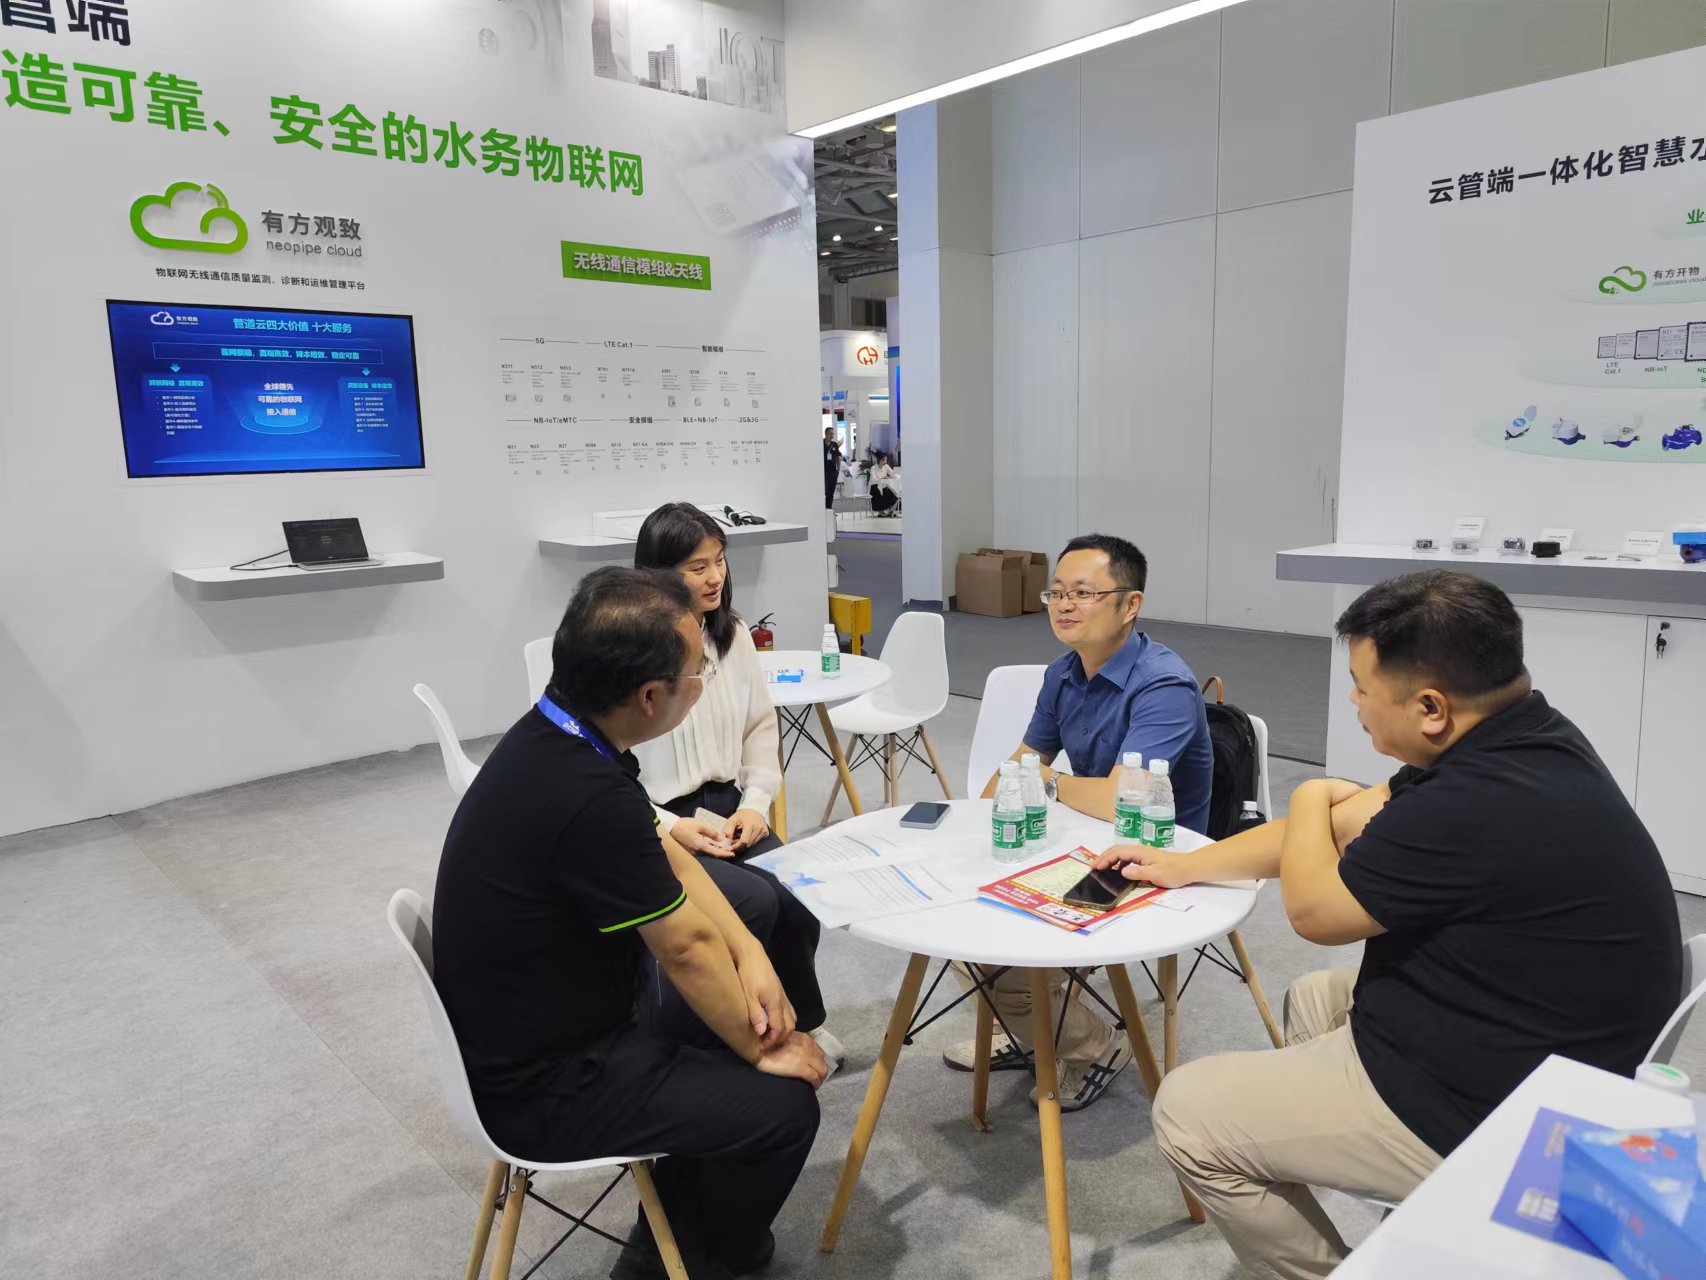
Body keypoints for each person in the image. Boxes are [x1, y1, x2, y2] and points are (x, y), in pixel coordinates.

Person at [1093, 569, 1681, 1280]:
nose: (1354, 702)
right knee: (1315, 996)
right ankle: (1346, 1171)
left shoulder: (1468, 803)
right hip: (1544, 1037)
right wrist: (1184, 864)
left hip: (1509, 1111)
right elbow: (1344, 825)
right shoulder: (1520, 734)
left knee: (1188, 1114)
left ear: (1430, 707)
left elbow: (1315, 913)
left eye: (1361, 687)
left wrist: (1306, 797)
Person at [432, 567, 829, 1280]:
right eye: (695, 674)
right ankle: (707, 1259)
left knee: (726, 993)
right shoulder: (585, 793)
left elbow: (669, 860)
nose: (701, 683)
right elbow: (685, 947)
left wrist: (750, 950)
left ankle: (674, 1230)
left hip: (545, 1027)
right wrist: (759, 1050)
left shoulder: (557, 737)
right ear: (650, 697)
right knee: (783, 1108)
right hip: (547, 1085)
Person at [943, 533, 1215, 1112]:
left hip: (1157, 856)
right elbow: (1013, 774)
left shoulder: (1163, 684)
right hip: (1086, 840)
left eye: (1084, 593)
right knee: (957, 919)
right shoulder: (1063, 673)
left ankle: (1097, 1048)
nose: (1064, 605)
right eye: (1057, 592)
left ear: (1130, 604)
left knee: (1001, 961)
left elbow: (1121, 801)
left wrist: (1044, 783)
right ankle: (1034, 1032)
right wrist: (1026, 788)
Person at [633, 502, 843, 1067]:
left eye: (720, 561)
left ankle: (801, 1021)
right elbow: (610, 771)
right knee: (755, 903)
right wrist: (671, 826)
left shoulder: (734, 636)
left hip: (730, 809)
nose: (715, 577)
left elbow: (759, 729)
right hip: (661, 820)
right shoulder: (636, 648)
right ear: (658, 573)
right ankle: (731, 1031)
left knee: (796, 894)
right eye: (697, 567)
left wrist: (755, 804)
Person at [869, 451, 900, 515]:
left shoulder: (886, 466)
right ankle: (881, 511)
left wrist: (895, 477)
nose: (886, 461)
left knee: (893, 495)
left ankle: (890, 511)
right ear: (881, 460)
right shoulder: (873, 468)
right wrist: (882, 478)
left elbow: (893, 475)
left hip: (884, 487)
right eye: (885, 460)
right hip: (875, 487)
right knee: (880, 493)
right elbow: (874, 479)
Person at [822, 425, 843, 509]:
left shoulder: (834, 444)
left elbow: (838, 456)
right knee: (825, 491)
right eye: (831, 434)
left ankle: (829, 509)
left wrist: (838, 468)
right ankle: (822, 509)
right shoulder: (821, 444)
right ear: (826, 434)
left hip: (833, 471)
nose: (832, 435)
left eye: (833, 434)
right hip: (824, 471)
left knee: (831, 492)